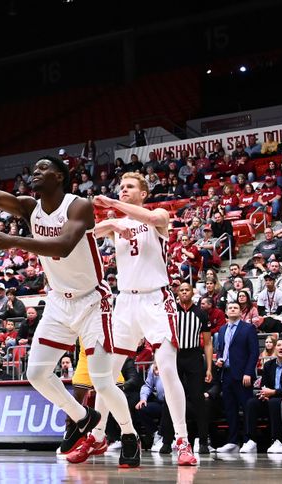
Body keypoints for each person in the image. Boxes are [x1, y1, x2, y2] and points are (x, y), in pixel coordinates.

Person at [0, 157, 141, 467]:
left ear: (60, 177)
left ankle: (129, 435)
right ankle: (82, 416)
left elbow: (62, 246)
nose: (35, 172)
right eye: (34, 168)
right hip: (59, 301)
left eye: (43, 168)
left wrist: (13, 241)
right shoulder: (30, 207)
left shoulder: (79, 206)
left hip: (92, 301)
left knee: (102, 381)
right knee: (35, 373)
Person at [93, 172, 197, 466]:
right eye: (120, 187)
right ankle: (98, 436)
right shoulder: (117, 224)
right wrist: (111, 222)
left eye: (129, 187)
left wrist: (113, 205)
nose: (123, 190)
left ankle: (182, 441)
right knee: (105, 374)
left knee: (166, 368)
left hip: (155, 299)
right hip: (125, 301)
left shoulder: (158, 215)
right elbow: (86, 233)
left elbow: (153, 220)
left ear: (143, 193)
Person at [172, 283, 214, 454]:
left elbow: (208, 343)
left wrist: (209, 368)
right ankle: (169, 440)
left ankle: (203, 441)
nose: (184, 292)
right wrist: (156, 362)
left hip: (194, 356)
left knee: (198, 399)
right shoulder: (172, 313)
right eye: (181, 290)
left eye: (187, 289)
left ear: (192, 293)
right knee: (172, 398)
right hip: (175, 355)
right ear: (178, 293)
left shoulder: (201, 314)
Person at [214, 303, 259, 453]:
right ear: (226, 312)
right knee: (230, 409)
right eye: (230, 308)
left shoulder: (248, 328)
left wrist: (248, 372)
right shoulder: (221, 330)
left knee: (246, 408)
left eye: (235, 308)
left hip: (242, 375)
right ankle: (232, 441)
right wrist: (219, 359)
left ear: (241, 312)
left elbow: (254, 353)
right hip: (226, 374)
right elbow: (221, 350)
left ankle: (248, 440)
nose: (232, 309)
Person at [242, 338, 282, 453]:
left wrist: (273, 393)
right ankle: (251, 440)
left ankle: (277, 439)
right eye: (279, 345)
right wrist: (264, 394)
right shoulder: (268, 365)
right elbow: (264, 384)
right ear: (275, 348)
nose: (281, 348)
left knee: (274, 402)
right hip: (270, 396)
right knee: (251, 403)